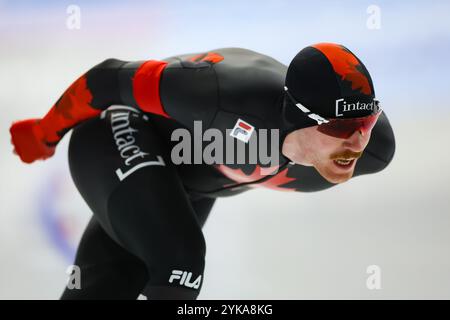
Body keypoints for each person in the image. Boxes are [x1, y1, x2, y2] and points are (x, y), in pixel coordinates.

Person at [9, 43, 395, 300]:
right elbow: (108, 78)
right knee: (179, 264)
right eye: (342, 129)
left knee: (108, 284)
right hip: (120, 134)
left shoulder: (374, 150)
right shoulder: (220, 97)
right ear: (299, 117)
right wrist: (45, 133)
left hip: (188, 181)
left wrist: (352, 126)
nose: (358, 143)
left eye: (366, 123)